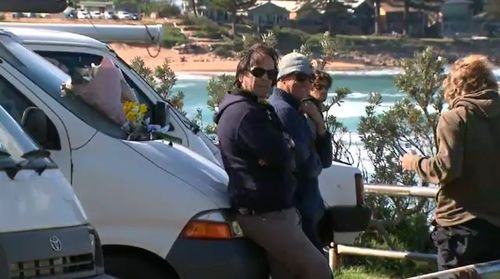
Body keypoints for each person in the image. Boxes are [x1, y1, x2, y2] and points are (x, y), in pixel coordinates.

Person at [214, 43, 331, 279]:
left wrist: (292, 147)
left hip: (274, 209)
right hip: (267, 213)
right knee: (319, 272)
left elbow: (291, 155)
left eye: (271, 73)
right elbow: (289, 158)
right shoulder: (246, 113)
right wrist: (288, 150)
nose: (265, 79)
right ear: (241, 75)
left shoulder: (258, 108)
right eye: (258, 72)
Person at [401, 55, 500, 271]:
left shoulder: (456, 117)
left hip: (460, 226)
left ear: (457, 85)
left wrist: (414, 162)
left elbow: (445, 168)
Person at [269, 53, 332, 252]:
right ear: (283, 79)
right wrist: (316, 163)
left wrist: (320, 125)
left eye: (310, 79)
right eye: (301, 78)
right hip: (299, 206)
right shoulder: (285, 111)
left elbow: (325, 160)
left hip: (305, 206)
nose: (307, 84)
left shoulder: (300, 110)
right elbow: (307, 165)